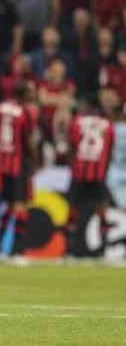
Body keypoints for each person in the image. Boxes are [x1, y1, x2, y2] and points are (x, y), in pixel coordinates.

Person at [0, 83, 39, 265]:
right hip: (19, 163)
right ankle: (16, 253)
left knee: (8, 206)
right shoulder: (26, 112)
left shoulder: (2, 109)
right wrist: (35, 160)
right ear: (25, 94)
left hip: (5, 164)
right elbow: (29, 140)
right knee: (21, 207)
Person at [65, 96, 115, 260]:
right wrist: (103, 171)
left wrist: (74, 166)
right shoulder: (108, 125)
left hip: (79, 172)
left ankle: (70, 248)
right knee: (102, 210)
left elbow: (71, 147)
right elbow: (109, 152)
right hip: (98, 173)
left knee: (73, 210)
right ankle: (104, 247)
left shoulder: (77, 122)